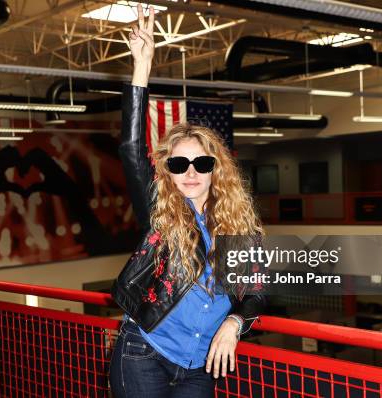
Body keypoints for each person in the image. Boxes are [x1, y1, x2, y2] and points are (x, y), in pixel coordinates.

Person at [109, 5, 266, 397]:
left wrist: (234, 323)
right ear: (169, 170)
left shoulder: (239, 227)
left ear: (216, 168)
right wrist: (141, 68)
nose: (191, 171)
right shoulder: (161, 213)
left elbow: (256, 291)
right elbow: (131, 147)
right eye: (179, 163)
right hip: (144, 353)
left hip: (199, 366)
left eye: (201, 162)